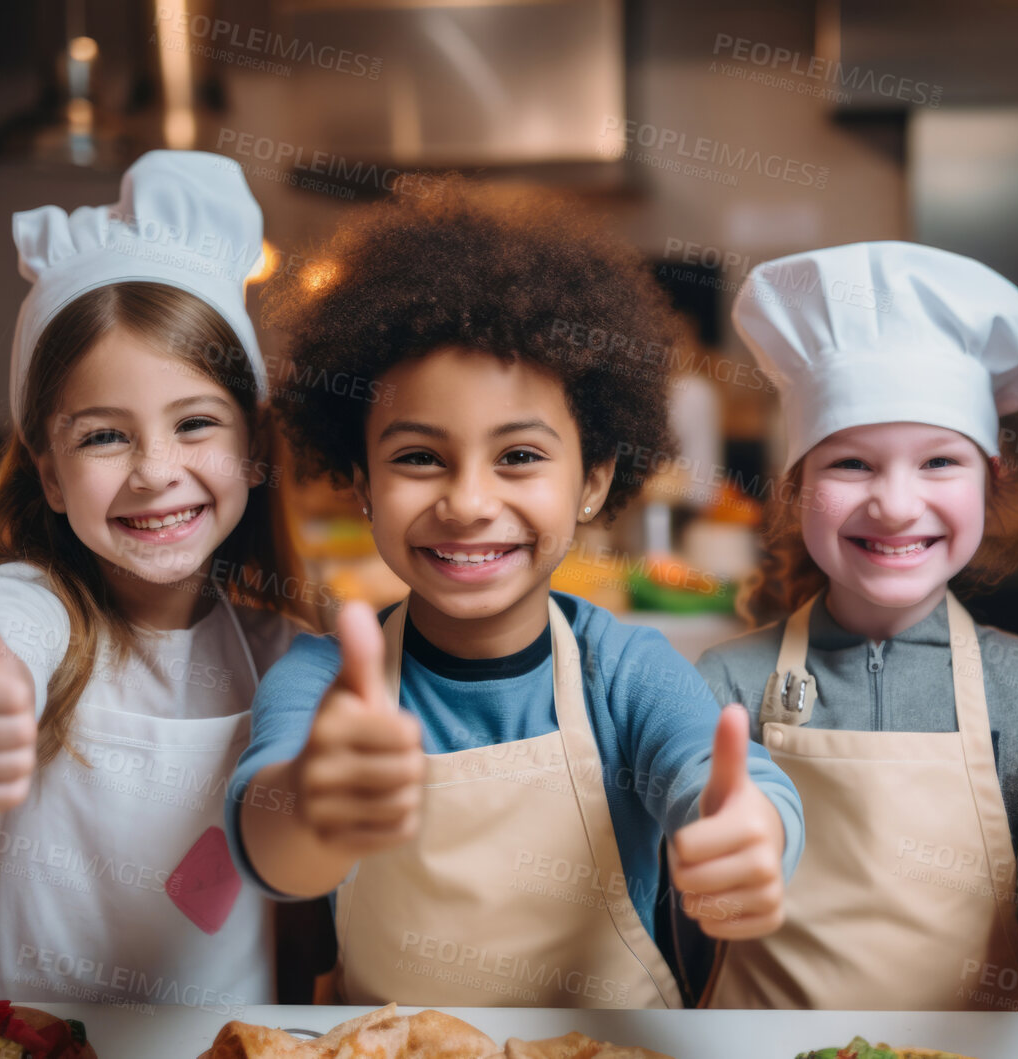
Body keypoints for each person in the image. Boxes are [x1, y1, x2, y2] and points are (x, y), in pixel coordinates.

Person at [226, 178, 805, 1008]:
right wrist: (315, 807)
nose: (466, 501)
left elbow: (718, 778)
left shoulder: (627, 669)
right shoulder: (321, 682)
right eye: (418, 456)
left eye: (520, 457)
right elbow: (271, 843)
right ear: (359, 482)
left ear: (595, 481)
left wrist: (751, 828)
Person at [0, 150, 318, 1008]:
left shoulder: (286, 656)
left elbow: (273, 872)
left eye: (195, 422)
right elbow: (0, 654)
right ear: (50, 474)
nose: (154, 471)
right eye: (105, 436)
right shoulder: (31, 609)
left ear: (251, 449)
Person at [696, 241, 1018, 1011]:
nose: (894, 503)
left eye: (939, 462)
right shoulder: (724, 682)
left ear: (992, 480)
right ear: (795, 487)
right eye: (849, 464)